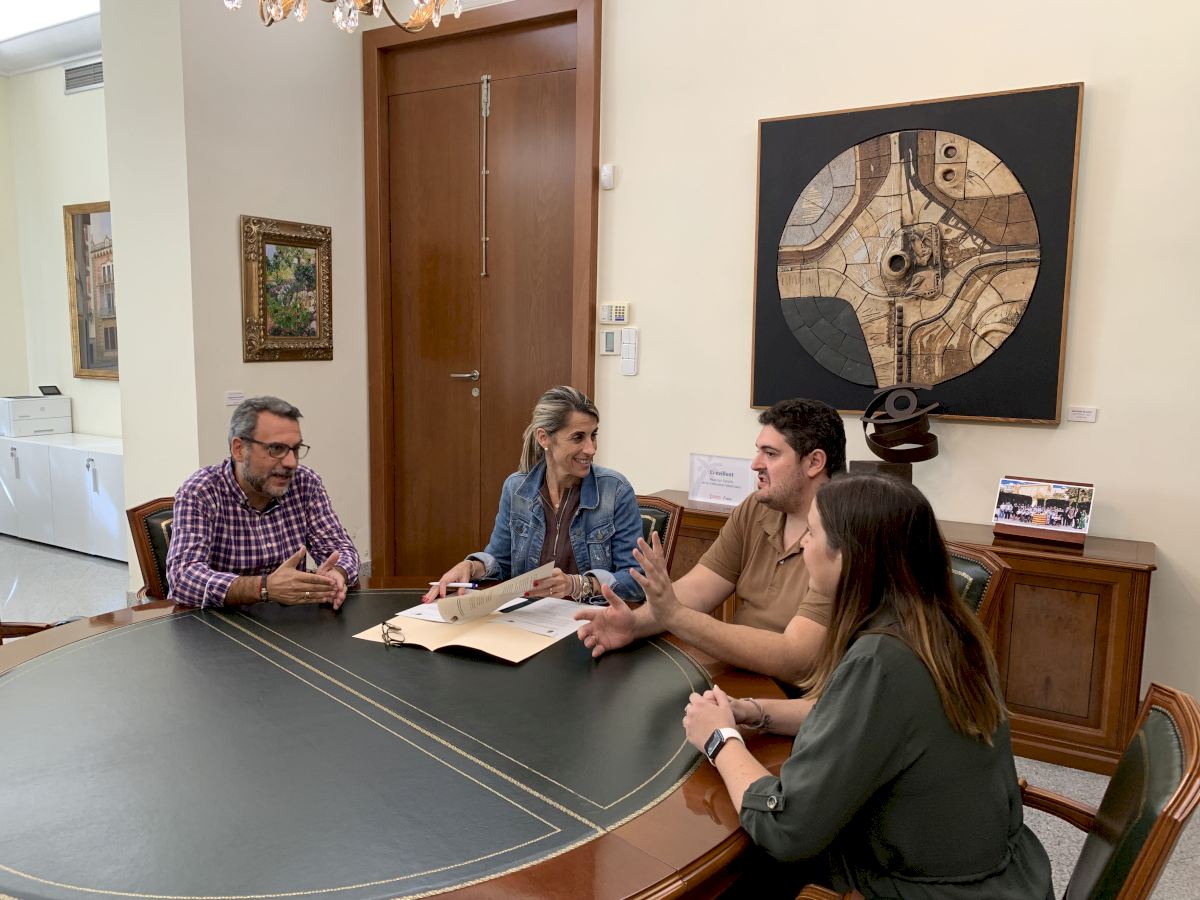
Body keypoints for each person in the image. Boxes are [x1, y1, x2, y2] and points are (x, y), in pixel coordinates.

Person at [680, 475, 1053, 898]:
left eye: (812, 532)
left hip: (921, 888)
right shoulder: (944, 627)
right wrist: (756, 711)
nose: (803, 544)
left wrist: (720, 739)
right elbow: (864, 719)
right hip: (1003, 873)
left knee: (732, 872)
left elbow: (785, 828)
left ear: (848, 556)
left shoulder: (880, 661)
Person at [576, 398, 845, 683]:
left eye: (770, 454)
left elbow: (796, 659)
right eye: (758, 451)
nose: (755, 464)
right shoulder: (757, 508)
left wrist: (675, 616)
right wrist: (634, 624)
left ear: (814, 462)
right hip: (738, 674)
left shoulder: (846, 533)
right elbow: (700, 588)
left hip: (793, 694)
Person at [423, 385, 643, 604]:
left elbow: (637, 582)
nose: (591, 448)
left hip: (591, 620)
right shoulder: (516, 488)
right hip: (526, 617)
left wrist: (578, 584)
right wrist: (470, 566)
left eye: (593, 435)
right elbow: (500, 561)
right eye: (578, 437)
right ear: (544, 437)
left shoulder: (616, 491)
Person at [166, 396, 360, 609]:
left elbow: (342, 550)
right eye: (276, 449)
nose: (291, 462)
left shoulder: (305, 483)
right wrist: (263, 588)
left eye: (295, 449)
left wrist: (336, 573)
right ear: (239, 449)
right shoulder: (201, 491)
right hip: (219, 621)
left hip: (288, 620)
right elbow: (183, 577)